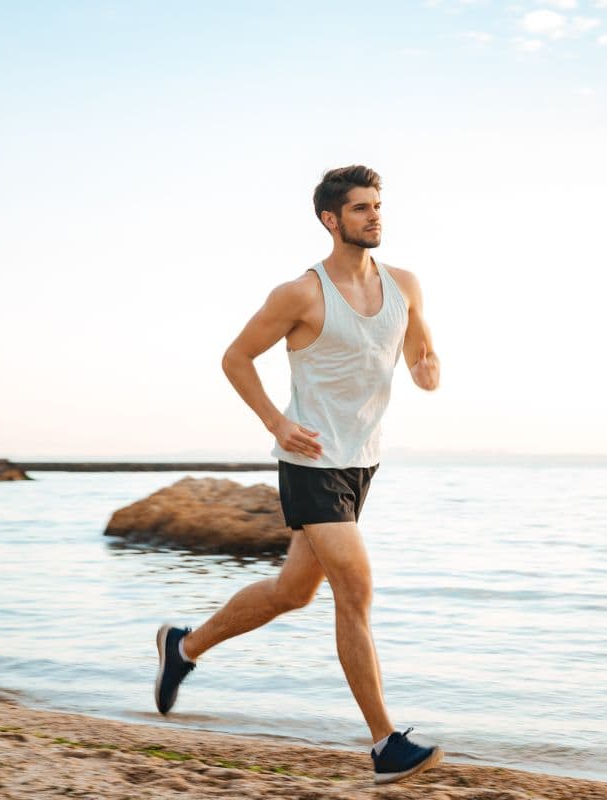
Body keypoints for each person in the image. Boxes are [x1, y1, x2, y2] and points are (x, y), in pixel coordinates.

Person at [154, 164, 443, 785]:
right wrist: (276, 423)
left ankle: (183, 647)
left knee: (292, 593)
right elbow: (235, 358)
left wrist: (427, 370)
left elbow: (421, 352)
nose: (374, 215)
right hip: (311, 461)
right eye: (361, 208)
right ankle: (385, 744)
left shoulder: (405, 285)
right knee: (355, 592)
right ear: (330, 220)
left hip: (362, 461)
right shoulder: (301, 295)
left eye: (377, 205)